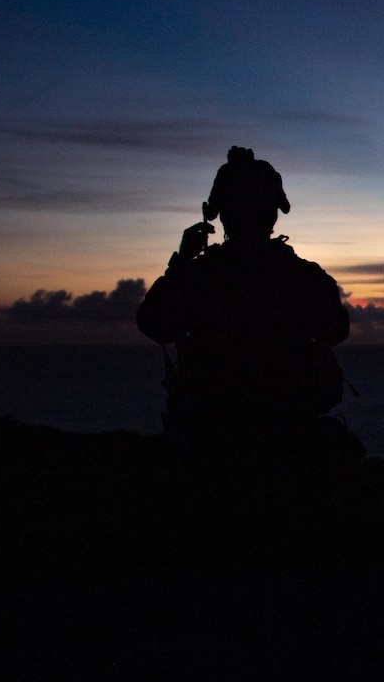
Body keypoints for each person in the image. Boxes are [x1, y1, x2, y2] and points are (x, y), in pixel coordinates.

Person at [137, 147, 352, 469]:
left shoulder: (199, 275)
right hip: (288, 443)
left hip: (211, 444)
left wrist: (181, 262)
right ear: (273, 212)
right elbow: (336, 331)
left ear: (220, 212)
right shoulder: (304, 276)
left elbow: (155, 323)